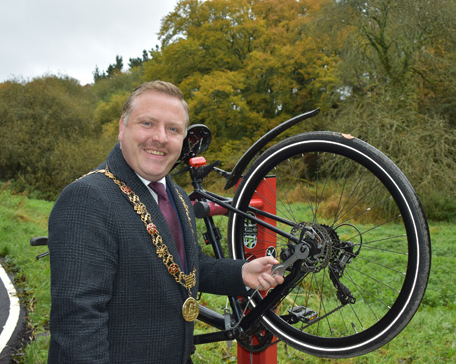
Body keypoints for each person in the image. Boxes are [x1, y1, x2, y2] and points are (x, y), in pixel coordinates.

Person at [47, 80, 284, 364]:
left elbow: (183, 266)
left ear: (183, 139)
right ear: (123, 127)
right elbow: (78, 321)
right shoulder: (88, 198)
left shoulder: (178, 196)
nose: (160, 138)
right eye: (147, 123)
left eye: (173, 129)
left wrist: (241, 273)